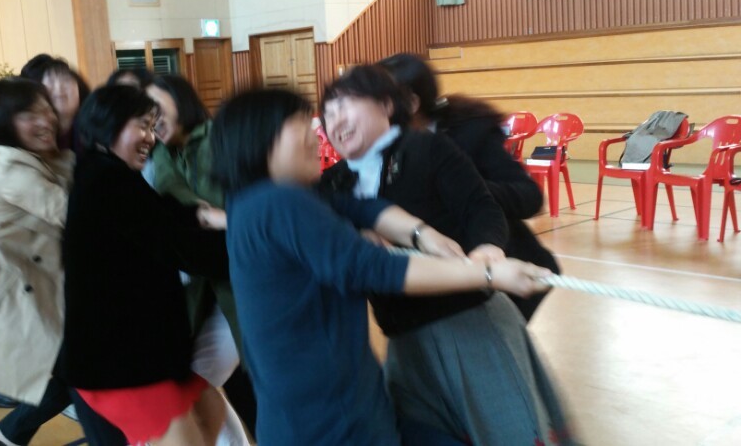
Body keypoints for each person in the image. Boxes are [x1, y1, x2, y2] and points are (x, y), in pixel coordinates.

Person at [210, 88, 552, 446]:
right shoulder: (279, 203)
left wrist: (421, 234)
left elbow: (357, 207)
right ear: (259, 138)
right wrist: (487, 274)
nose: (317, 134)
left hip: (332, 413)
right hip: (331, 425)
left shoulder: (254, 201)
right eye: (299, 123)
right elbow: (372, 268)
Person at [320, 65, 573, 446]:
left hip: (468, 324)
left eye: (345, 105)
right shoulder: (334, 184)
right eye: (328, 113)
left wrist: (487, 249)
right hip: (404, 339)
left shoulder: (427, 148)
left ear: (386, 104)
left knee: (509, 431)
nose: (336, 120)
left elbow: (481, 208)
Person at [0, 78, 125, 446]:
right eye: (30, 115)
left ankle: (8, 433)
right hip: (8, 290)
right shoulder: (13, 172)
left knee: (73, 365)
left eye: (47, 110)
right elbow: (76, 215)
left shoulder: (35, 158)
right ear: (5, 124)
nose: (46, 120)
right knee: (78, 364)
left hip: (29, 281)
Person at [54, 85, 231, 446]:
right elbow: (175, 243)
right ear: (107, 124)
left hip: (142, 356)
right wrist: (252, 250)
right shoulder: (105, 181)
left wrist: (202, 216)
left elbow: (163, 216)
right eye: (142, 125)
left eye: (153, 127)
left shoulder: (111, 174)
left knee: (210, 411)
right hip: (119, 364)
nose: (151, 138)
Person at [379, 52, 560, 320]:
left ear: (411, 102)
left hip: (502, 272)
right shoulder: (385, 145)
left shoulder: (471, 133)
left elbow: (529, 196)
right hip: (444, 280)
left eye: (378, 99)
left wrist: (464, 187)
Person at [145, 74, 255, 442]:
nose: (151, 119)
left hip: (242, 287)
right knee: (195, 386)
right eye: (143, 113)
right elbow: (175, 203)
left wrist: (210, 216)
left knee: (197, 385)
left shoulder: (219, 141)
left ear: (180, 98)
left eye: (155, 107)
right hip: (204, 293)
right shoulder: (163, 153)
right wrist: (200, 215)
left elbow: (252, 210)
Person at [20, 54, 90, 150]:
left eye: (66, 80)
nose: (59, 87)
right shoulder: (27, 139)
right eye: (51, 81)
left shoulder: (96, 128)